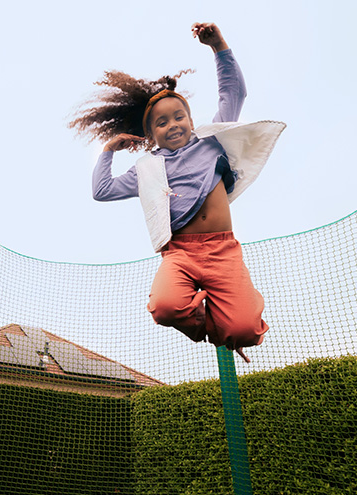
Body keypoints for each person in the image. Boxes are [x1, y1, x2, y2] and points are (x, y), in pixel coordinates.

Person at [70, 22, 284, 362]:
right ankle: (214, 325)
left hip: (222, 250)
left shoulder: (212, 142)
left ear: (189, 119)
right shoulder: (148, 168)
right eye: (162, 122)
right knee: (164, 307)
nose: (173, 125)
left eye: (178, 116)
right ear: (150, 134)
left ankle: (234, 324)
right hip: (180, 254)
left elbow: (234, 94)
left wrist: (219, 47)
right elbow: (102, 190)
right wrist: (108, 150)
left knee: (246, 331)